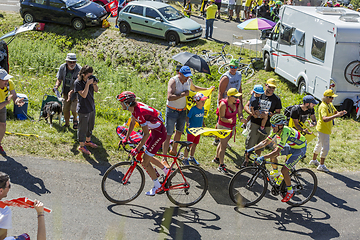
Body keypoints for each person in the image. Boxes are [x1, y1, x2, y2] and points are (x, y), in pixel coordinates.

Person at [245, 114, 307, 202]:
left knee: (284, 170)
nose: (272, 127)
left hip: (299, 150)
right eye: (272, 125)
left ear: (281, 126)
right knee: (272, 156)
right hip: (291, 146)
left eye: (274, 126)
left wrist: (262, 157)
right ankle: (276, 174)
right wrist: (251, 149)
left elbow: (277, 151)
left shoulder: (285, 132)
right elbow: (265, 141)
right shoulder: (276, 130)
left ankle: (290, 191)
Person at [117, 91, 170, 196]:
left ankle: (158, 187)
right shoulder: (134, 109)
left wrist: (136, 149)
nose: (120, 104)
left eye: (122, 102)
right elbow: (132, 123)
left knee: (145, 162)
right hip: (155, 131)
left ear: (127, 103)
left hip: (159, 134)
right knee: (146, 154)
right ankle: (167, 171)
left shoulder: (139, 113)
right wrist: (126, 139)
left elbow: (145, 134)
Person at [162, 66, 213, 168]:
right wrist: (182, 94)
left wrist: (207, 89)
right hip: (171, 110)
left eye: (188, 76)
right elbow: (169, 97)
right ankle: (164, 158)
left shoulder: (189, 80)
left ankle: (174, 150)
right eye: (185, 76)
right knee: (168, 134)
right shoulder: (173, 81)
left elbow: (195, 88)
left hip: (182, 110)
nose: (187, 78)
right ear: (180, 74)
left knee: (179, 131)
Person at [243, 78, 282, 167]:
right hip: (255, 123)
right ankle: (246, 160)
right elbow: (246, 106)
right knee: (250, 142)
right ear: (266, 85)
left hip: (267, 125)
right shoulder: (258, 94)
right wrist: (252, 114)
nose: (271, 89)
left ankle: (256, 161)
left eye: (273, 88)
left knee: (261, 144)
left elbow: (278, 113)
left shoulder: (276, 99)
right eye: (270, 87)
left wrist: (271, 114)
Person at [0, 172, 46, 240]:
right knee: (25, 237)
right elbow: (2, 237)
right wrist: (40, 213)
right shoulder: (4, 211)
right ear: (1, 190)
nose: (9, 188)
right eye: (9, 186)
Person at [310, 89, 347, 172]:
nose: (332, 99)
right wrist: (336, 116)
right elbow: (325, 119)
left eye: (333, 97)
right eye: (331, 97)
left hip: (325, 128)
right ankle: (321, 165)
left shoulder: (329, 104)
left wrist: (341, 113)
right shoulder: (323, 106)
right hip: (324, 129)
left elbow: (335, 112)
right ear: (326, 97)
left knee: (319, 144)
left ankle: (314, 160)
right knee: (325, 147)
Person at [213, 88, 246, 174]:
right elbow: (221, 118)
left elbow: (240, 113)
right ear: (230, 96)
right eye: (235, 96)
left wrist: (242, 119)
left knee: (222, 143)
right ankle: (221, 165)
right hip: (223, 126)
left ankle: (217, 158)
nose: (237, 98)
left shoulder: (237, 103)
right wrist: (228, 121)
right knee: (223, 146)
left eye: (237, 96)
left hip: (232, 126)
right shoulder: (223, 104)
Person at [213, 59, 243, 146]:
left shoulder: (239, 75)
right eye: (231, 67)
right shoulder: (226, 77)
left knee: (230, 121)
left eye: (235, 67)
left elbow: (240, 88)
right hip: (225, 102)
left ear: (237, 67)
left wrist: (241, 100)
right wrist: (220, 105)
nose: (233, 69)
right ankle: (217, 139)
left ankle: (224, 139)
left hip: (234, 101)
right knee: (221, 121)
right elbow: (220, 92)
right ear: (229, 67)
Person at [73, 65, 99, 155]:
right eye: (88, 75)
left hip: (91, 106)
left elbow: (96, 90)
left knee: (90, 125)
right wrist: (87, 84)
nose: (90, 77)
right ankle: (81, 145)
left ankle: (88, 141)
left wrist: (94, 83)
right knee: (82, 128)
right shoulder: (78, 83)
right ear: (83, 75)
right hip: (83, 108)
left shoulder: (90, 81)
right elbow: (83, 95)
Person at [0, 69, 25, 156]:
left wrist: (17, 101)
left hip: (2, 103)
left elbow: (14, 95)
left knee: (2, 125)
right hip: (2, 104)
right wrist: (7, 102)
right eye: (4, 80)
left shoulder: (9, 83)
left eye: (7, 79)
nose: (7, 81)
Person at [54, 53, 81, 129]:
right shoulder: (62, 67)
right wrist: (56, 86)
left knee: (74, 109)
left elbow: (80, 84)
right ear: (66, 61)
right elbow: (59, 79)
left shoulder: (79, 69)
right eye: (70, 62)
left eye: (74, 62)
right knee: (65, 109)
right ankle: (67, 124)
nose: (72, 64)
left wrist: (72, 92)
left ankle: (75, 119)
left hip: (75, 93)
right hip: (65, 92)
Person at [182, 92, 208, 166]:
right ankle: (185, 159)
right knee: (189, 145)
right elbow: (187, 117)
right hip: (191, 131)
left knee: (195, 144)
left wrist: (203, 125)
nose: (204, 102)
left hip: (198, 130)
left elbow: (201, 118)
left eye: (204, 101)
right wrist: (187, 123)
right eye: (202, 101)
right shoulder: (193, 109)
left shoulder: (202, 108)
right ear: (197, 101)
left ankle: (191, 157)